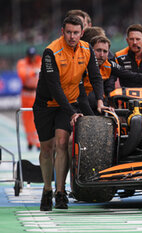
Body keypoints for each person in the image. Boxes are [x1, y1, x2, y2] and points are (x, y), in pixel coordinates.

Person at [33, 15, 108, 211]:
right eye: (68, 32)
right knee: (47, 148)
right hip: (46, 104)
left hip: (69, 103)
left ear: (82, 33)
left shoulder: (86, 49)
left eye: (76, 33)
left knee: (62, 143)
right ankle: (47, 189)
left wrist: (99, 100)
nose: (72, 36)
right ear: (62, 32)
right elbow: (54, 87)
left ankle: (60, 192)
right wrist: (71, 110)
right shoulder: (51, 52)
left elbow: (95, 76)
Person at [85, 35, 142, 114]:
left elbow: (134, 76)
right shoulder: (83, 64)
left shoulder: (109, 65)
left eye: (105, 51)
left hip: (98, 103)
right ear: (91, 50)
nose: (101, 55)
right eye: (98, 50)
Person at [16, 47, 42, 150]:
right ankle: (30, 141)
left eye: (33, 56)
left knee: (38, 118)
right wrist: (33, 72)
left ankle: (38, 142)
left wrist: (37, 71)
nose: (32, 58)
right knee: (26, 119)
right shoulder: (22, 63)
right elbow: (22, 74)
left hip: (36, 93)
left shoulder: (40, 61)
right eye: (30, 56)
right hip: (26, 94)